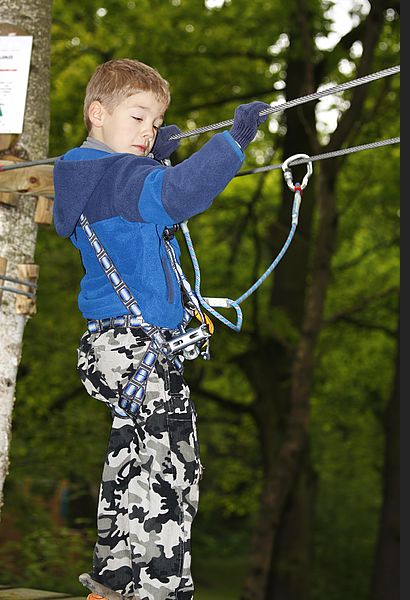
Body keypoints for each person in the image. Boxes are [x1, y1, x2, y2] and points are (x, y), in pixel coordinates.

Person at [53, 58, 268, 600]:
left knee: (134, 458)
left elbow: (143, 219)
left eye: (154, 123)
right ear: (97, 113)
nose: (148, 132)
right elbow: (179, 196)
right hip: (132, 345)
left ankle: (114, 580)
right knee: (172, 464)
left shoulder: (88, 175)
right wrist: (233, 141)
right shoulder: (122, 176)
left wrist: (157, 159)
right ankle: (159, 589)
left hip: (113, 347)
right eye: (137, 117)